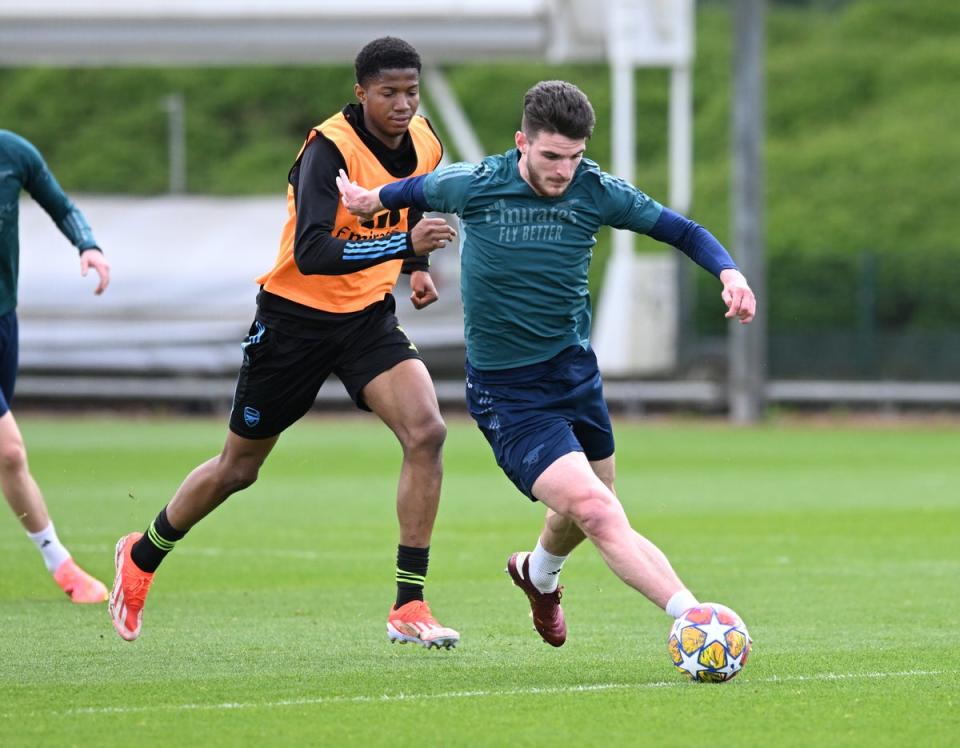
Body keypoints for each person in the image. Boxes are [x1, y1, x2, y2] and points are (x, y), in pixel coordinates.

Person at [337, 80, 757, 649]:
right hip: (508, 391)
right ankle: (693, 617)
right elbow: (414, 189)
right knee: (597, 508)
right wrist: (379, 213)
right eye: (551, 156)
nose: (563, 171)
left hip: (575, 374)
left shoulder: (596, 190)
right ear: (522, 144)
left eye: (574, 156)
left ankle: (539, 574)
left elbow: (681, 230)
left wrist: (729, 273)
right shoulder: (477, 183)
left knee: (590, 507)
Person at [108, 37, 460, 648]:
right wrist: (406, 250)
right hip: (293, 322)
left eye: (411, 91)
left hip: (366, 322)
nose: (402, 104)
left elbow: (403, 215)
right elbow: (313, 251)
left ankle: (409, 604)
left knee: (426, 431)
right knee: (238, 469)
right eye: (388, 93)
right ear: (361, 94)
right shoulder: (328, 151)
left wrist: (416, 270)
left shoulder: (426, 142)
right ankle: (142, 553)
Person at [0, 129, 112, 603]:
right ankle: (59, 562)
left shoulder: (14, 153)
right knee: (9, 450)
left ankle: (59, 564)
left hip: (5, 320)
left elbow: (61, 205)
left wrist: (87, 244)